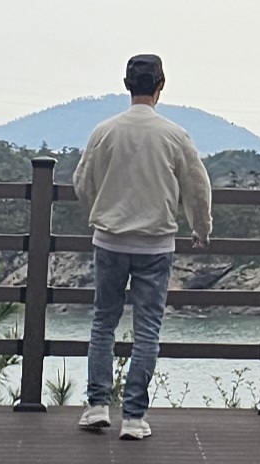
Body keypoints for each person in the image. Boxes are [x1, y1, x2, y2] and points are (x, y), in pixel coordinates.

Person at [68, 52, 208, 440]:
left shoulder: (105, 131)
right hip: (156, 245)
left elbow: (82, 182)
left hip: (110, 240)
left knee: (103, 322)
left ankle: (98, 405)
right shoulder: (174, 135)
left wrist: (98, 212)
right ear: (161, 85)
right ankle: (133, 417)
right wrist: (200, 228)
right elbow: (197, 187)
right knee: (147, 330)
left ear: (127, 85)